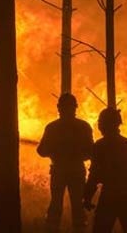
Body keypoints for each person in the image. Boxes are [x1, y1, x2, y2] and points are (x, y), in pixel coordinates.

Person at [83, 107, 127, 233]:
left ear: (103, 125)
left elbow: (94, 176)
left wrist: (87, 197)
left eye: (101, 122)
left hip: (110, 196)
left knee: (101, 229)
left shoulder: (100, 146)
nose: (99, 125)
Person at [37, 93, 94, 233]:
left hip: (59, 171)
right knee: (78, 206)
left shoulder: (52, 127)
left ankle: (52, 229)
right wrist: (77, 154)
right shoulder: (84, 126)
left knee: (56, 204)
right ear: (75, 107)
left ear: (58, 108)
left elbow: (41, 150)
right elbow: (90, 152)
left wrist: (55, 151)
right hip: (77, 171)